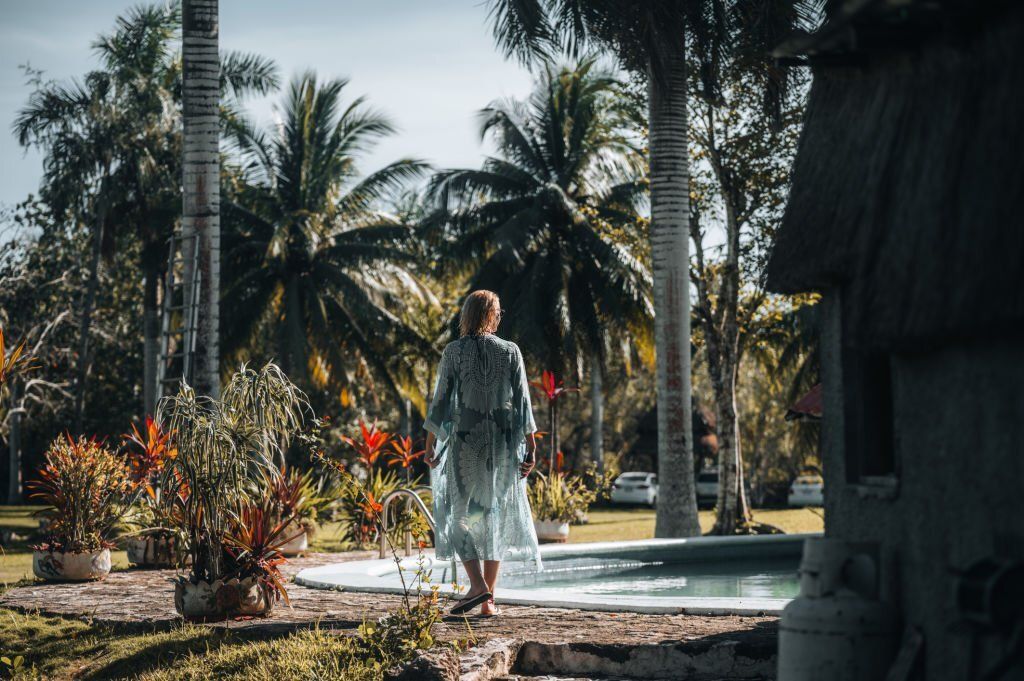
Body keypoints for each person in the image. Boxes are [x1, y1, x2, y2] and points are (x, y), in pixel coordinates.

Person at [423, 290, 540, 617]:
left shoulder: (454, 352)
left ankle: (479, 587)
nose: (500, 317)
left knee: (456, 516)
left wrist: (431, 442)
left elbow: (441, 401)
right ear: (490, 315)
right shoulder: (510, 351)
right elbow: (523, 402)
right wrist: (530, 445)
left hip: (465, 444)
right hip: (503, 445)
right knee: (495, 517)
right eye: (498, 312)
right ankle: (487, 600)